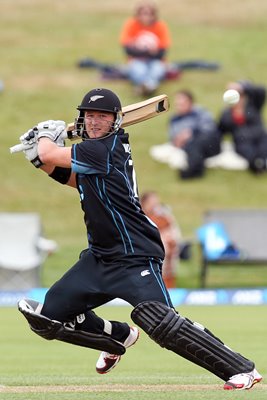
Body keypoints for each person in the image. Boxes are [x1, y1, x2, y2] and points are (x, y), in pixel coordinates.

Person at [17, 88, 262, 390]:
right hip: (99, 258)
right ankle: (118, 335)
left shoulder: (104, 149)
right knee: (49, 317)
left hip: (135, 257)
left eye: (101, 117)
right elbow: (75, 180)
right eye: (89, 115)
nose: (94, 122)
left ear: (115, 121)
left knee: (161, 322)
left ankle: (241, 369)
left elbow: (50, 153)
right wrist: (40, 162)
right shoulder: (95, 153)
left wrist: (43, 138)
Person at [119, 1, 171, 95]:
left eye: (149, 14)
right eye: (143, 14)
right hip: (136, 60)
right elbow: (127, 50)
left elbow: (162, 52)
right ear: (137, 14)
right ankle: (149, 86)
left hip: (156, 61)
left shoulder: (160, 26)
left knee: (157, 69)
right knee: (138, 70)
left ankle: (146, 87)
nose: (146, 17)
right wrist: (149, 51)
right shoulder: (131, 24)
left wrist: (139, 51)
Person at [168, 90, 221, 179]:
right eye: (177, 104)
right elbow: (173, 138)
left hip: (209, 143)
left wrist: (191, 132)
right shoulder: (175, 120)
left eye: (182, 104)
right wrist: (178, 140)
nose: (179, 107)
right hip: (190, 147)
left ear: (190, 103)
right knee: (193, 146)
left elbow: (209, 129)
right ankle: (195, 170)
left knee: (197, 142)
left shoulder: (201, 113)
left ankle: (192, 171)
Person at [218, 80, 267, 174]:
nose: (239, 100)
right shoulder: (226, 114)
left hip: (260, 138)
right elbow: (220, 131)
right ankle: (257, 167)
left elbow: (261, 90)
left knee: (263, 148)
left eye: (240, 95)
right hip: (243, 142)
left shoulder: (253, 107)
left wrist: (242, 87)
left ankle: (261, 164)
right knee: (249, 153)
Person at [140, 191, 181, 288]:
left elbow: (174, 234)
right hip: (145, 251)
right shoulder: (140, 217)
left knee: (169, 246)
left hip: (164, 252)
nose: (155, 205)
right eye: (152, 203)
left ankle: (168, 287)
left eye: (156, 202)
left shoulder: (164, 217)